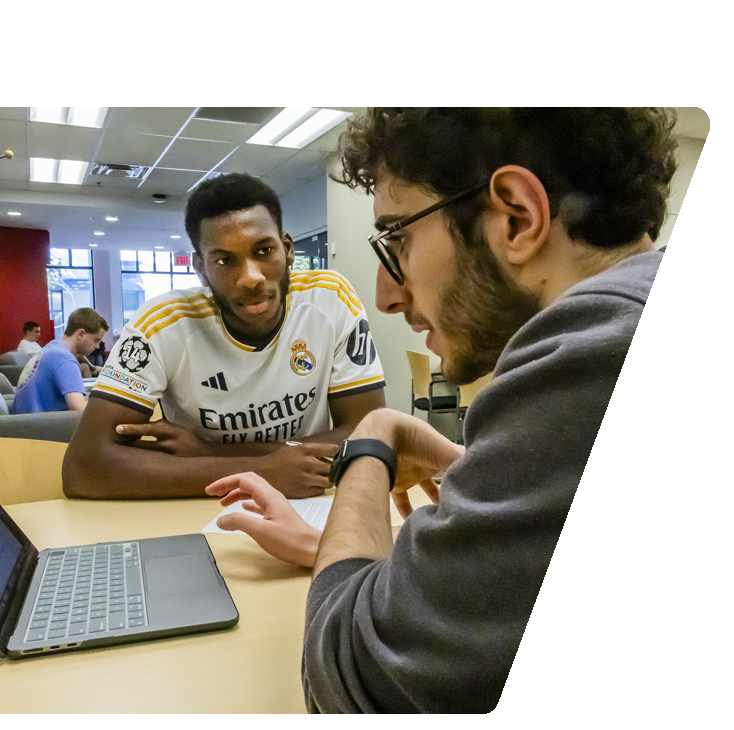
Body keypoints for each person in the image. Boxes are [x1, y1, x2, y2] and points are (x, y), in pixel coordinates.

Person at [205, 109, 709, 712]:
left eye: (399, 239)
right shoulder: (690, 297)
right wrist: (355, 549)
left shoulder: (623, 350)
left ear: (517, 218)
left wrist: (372, 440)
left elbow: (350, 681)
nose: (387, 296)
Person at [62, 173, 386, 500]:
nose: (251, 277)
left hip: (309, 497)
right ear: (201, 268)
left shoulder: (331, 298)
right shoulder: (158, 325)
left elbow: (367, 433)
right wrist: (264, 472)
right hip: (201, 506)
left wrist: (210, 450)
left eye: (263, 250)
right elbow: (84, 467)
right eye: (225, 260)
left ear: (287, 250)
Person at [12, 308, 108, 414]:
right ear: (80, 334)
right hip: (42, 427)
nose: (98, 346)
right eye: (96, 340)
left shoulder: (52, 348)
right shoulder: (65, 360)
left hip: (23, 424)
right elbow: (80, 409)